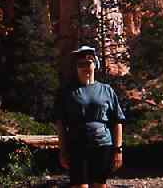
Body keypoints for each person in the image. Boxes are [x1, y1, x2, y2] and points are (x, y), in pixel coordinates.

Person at [54, 46, 125, 188]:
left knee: (100, 185)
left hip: (103, 144)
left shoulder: (107, 90)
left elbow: (117, 121)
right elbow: (60, 124)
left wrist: (118, 150)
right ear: (76, 68)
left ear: (95, 64)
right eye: (81, 64)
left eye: (89, 63)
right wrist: (62, 151)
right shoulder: (66, 92)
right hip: (76, 146)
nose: (85, 67)